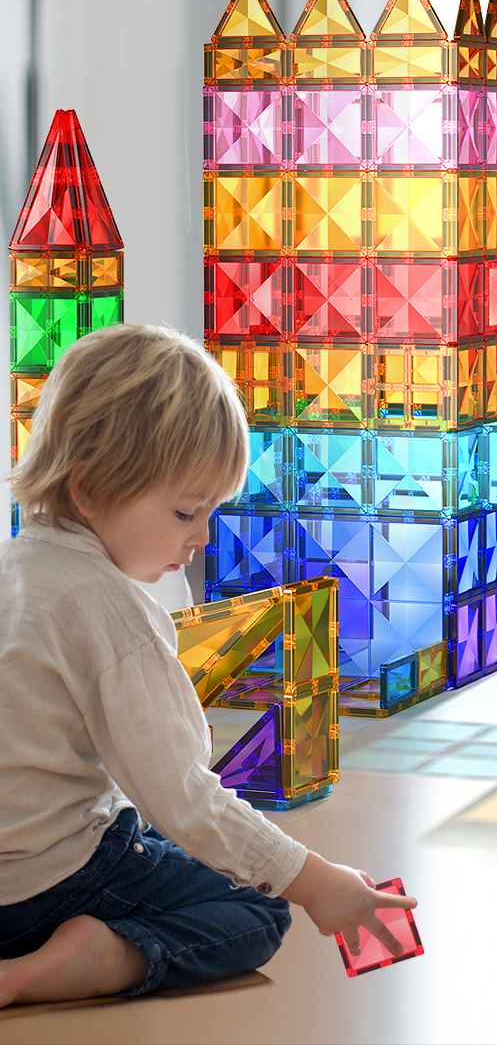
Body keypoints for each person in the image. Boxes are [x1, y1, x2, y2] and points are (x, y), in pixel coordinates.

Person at [0, 324, 416, 1007]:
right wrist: (317, 881)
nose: (201, 535)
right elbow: (184, 797)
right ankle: (66, 964)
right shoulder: (112, 612)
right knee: (256, 911)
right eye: (186, 511)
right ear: (89, 489)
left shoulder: (15, 569)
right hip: (54, 885)